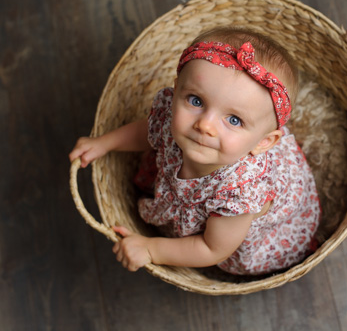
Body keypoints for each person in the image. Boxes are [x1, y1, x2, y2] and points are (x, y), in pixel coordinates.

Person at [69, 27, 321, 275]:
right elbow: (146, 131)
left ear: (262, 142)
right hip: (200, 190)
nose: (205, 125)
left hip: (230, 234)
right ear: (177, 89)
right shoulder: (179, 120)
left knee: (222, 242)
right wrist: (104, 143)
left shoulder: (241, 194)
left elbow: (212, 248)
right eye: (196, 101)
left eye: (234, 120)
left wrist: (151, 248)